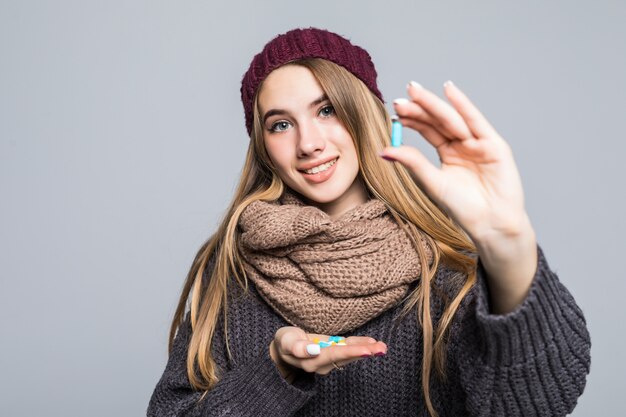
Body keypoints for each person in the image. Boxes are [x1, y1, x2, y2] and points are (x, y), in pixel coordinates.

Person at [147, 28, 591, 417]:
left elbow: (539, 401)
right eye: (281, 125)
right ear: (264, 148)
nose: (309, 143)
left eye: (326, 110)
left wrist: (508, 241)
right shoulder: (232, 267)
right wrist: (273, 374)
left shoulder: (443, 270)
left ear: (363, 111)